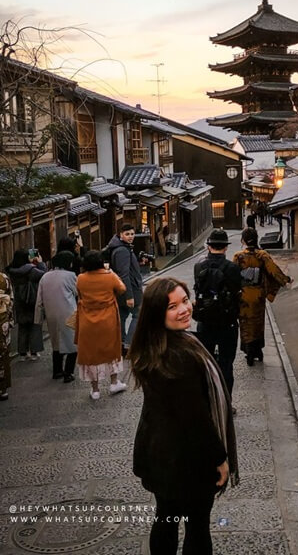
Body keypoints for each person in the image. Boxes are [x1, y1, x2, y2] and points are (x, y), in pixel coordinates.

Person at [129, 277, 239, 555]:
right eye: (172, 306)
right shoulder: (180, 355)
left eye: (185, 300)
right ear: (157, 313)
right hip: (187, 459)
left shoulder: (156, 347)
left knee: (166, 517)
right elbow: (196, 418)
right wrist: (220, 459)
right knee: (197, 526)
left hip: (159, 454)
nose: (184, 309)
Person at [193, 229, 241, 403]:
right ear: (225, 248)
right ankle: (225, 402)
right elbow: (237, 294)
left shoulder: (198, 266)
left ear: (209, 246)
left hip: (204, 321)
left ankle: (208, 400)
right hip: (227, 322)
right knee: (227, 363)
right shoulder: (233, 269)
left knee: (207, 362)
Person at [233, 227, 292, 366]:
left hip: (244, 294)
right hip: (258, 293)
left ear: (243, 240)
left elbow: (232, 274)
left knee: (246, 324)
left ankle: (248, 351)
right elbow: (273, 271)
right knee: (258, 323)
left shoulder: (238, 256)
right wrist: (286, 279)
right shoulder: (262, 255)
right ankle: (258, 350)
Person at [75, 250, 127, 400]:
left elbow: (79, 293)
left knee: (91, 353)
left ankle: (95, 389)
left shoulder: (81, 278)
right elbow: (122, 289)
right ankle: (114, 382)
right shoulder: (109, 276)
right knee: (111, 349)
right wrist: (110, 271)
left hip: (87, 319)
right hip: (108, 318)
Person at [35, 251, 78, 383]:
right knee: (72, 344)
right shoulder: (70, 275)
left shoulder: (45, 276)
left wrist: (37, 319)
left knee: (56, 343)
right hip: (69, 312)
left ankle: (57, 371)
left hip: (51, 313)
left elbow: (39, 300)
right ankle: (68, 373)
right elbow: (77, 291)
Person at [105, 224, 143, 352]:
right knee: (139, 315)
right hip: (130, 289)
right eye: (127, 234)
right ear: (120, 235)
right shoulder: (122, 250)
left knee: (122, 315)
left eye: (132, 234)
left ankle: (121, 342)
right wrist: (129, 296)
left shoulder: (122, 248)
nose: (131, 236)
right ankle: (128, 343)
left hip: (121, 290)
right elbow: (124, 274)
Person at [6, 248, 47, 361]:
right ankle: (34, 352)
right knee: (35, 326)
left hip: (19, 302)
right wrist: (40, 263)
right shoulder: (30, 270)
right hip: (32, 300)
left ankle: (23, 353)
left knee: (23, 327)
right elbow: (44, 275)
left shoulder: (12, 271)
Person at [0, 273, 14, 400]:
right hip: (2, 318)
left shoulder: (3, 278)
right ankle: (2, 388)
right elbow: (10, 300)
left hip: (1, 319)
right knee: (2, 352)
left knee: (2, 352)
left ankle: (2, 387)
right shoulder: (3, 278)